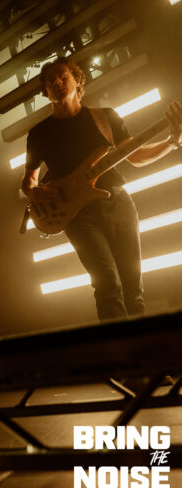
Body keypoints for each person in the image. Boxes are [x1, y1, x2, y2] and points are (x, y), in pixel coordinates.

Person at [22, 56, 182, 320]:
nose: (57, 82)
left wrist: (172, 142)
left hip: (118, 203)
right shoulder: (39, 133)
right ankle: (117, 343)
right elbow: (28, 180)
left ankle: (142, 341)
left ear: (77, 81)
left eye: (63, 76)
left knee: (133, 285)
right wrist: (33, 190)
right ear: (46, 92)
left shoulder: (104, 117)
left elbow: (136, 156)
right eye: (51, 80)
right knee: (107, 283)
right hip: (77, 215)